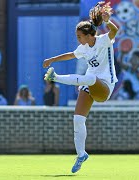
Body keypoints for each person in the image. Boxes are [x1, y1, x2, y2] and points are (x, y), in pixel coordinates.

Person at [43, 1, 118, 173]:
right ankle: (81, 154)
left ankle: (56, 78)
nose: (78, 39)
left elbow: (114, 31)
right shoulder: (83, 48)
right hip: (89, 84)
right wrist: (52, 59)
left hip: (105, 86)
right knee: (77, 119)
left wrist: (107, 21)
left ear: (89, 35)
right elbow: (70, 55)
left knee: (89, 78)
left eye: (79, 36)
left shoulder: (103, 41)